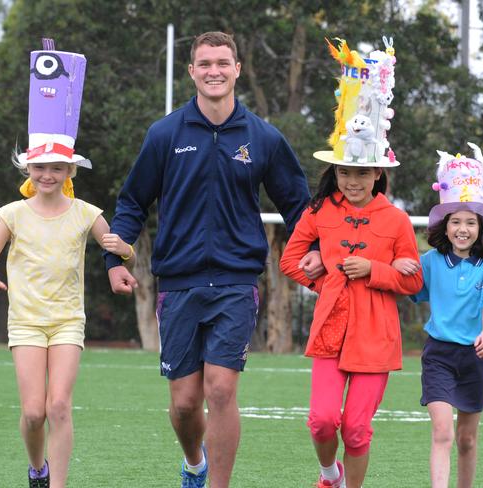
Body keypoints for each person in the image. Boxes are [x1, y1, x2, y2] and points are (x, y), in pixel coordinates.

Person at [104, 31, 323, 488]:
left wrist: (316, 250)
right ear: (192, 72)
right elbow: (131, 203)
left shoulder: (263, 137)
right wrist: (116, 260)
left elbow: (299, 206)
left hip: (236, 282)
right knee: (185, 403)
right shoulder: (165, 134)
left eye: (223, 62)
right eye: (205, 64)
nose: (214, 71)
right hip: (179, 282)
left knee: (221, 390)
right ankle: (195, 465)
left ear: (237, 69)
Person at [0, 38, 132, 488]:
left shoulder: (86, 213)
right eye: (40, 168)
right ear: (29, 170)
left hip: (66, 321)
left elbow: (121, 250)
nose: (47, 175)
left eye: (56, 169)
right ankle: (36, 468)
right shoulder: (12, 214)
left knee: (59, 406)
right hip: (25, 321)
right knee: (33, 411)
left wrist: (123, 250)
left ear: (69, 173)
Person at [280, 36, 423, 488]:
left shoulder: (396, 219)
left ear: (378, 172)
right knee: (322, 421)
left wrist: (376, 272)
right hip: (329, 331)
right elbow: (289, 260)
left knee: (357, 428)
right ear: (335, 172)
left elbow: (414, 278)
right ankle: (330, 475)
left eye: (361, 172)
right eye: (345, 172)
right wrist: (316, 273)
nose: (353, 180)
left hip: (376, 339)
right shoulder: (319, 210)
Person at [394, 142, 483, 488]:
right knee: (443, 433)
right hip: (439, 357)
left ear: (481, 227)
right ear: (444, 227)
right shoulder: (430, 262)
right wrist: (399, 267)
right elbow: (407, 285)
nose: (463, 228)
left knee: (466, 439)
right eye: (456, 222)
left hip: (475, 358)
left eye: (470, 223)